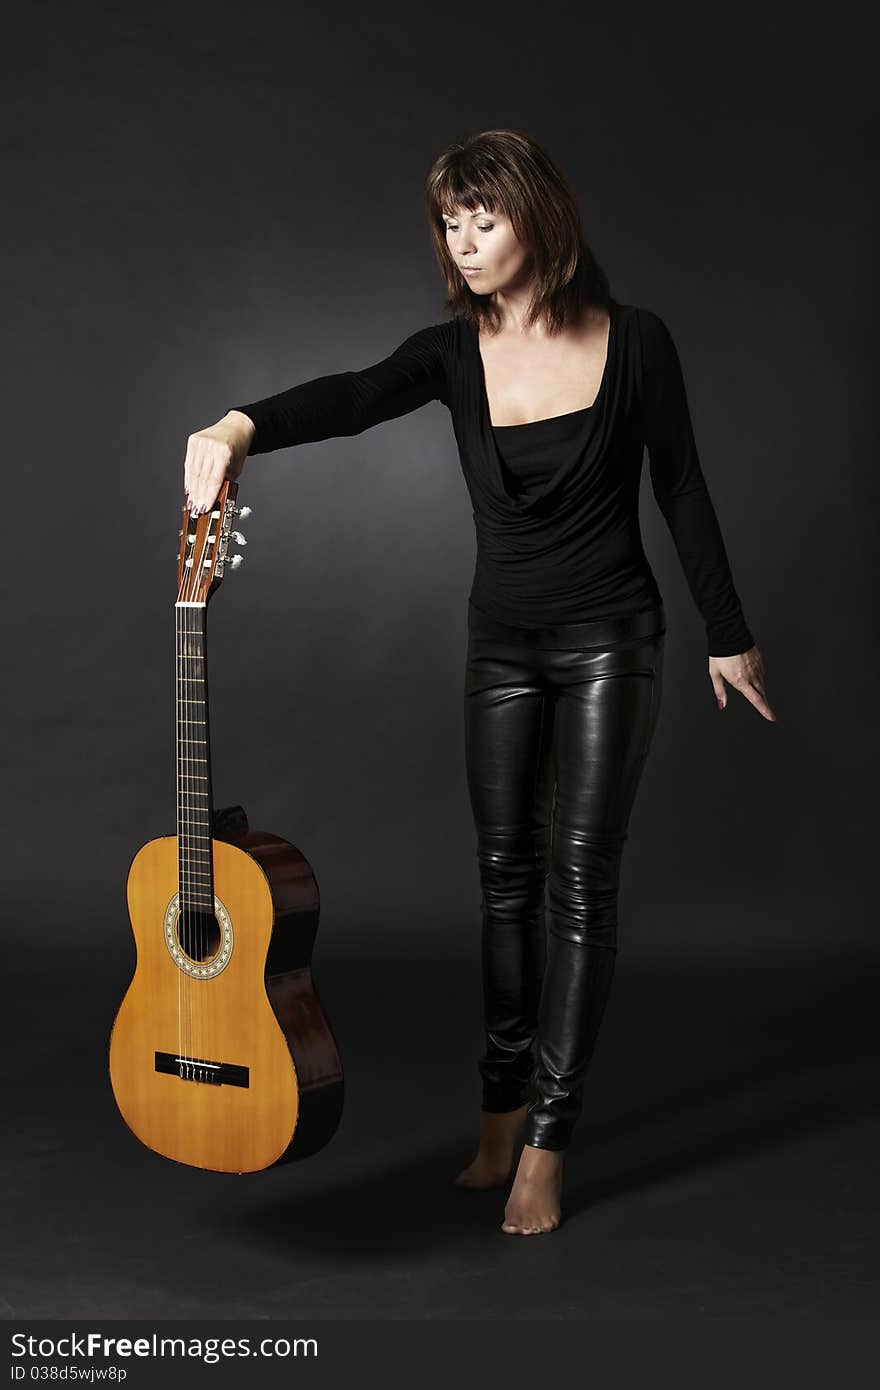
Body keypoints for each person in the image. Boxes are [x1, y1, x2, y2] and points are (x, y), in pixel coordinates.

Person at [183, 128, 775, 1237]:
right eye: (449, 224)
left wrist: (725, 633)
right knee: (504, 880)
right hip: (500, 645)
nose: (461, 242)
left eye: (482, 219)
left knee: (580, 883)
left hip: (613, 640)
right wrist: (238, 423)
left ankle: (548, 1138)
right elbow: (356, 394)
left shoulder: (637, 342)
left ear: (540, 218)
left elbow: (682, 487)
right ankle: (497, 1110)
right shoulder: (449, 353)